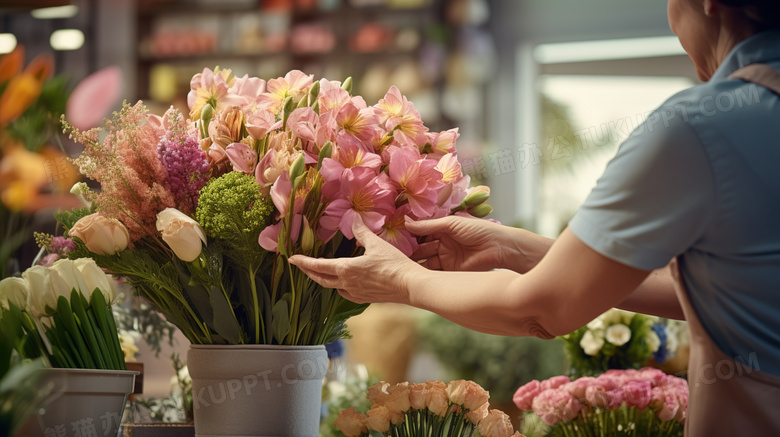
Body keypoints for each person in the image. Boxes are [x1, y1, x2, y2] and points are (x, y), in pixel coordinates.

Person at [290, 0, 780, 434]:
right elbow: (727, 293)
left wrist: (403, 281)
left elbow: (541, 310)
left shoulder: (698, 129)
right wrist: (523, 251)